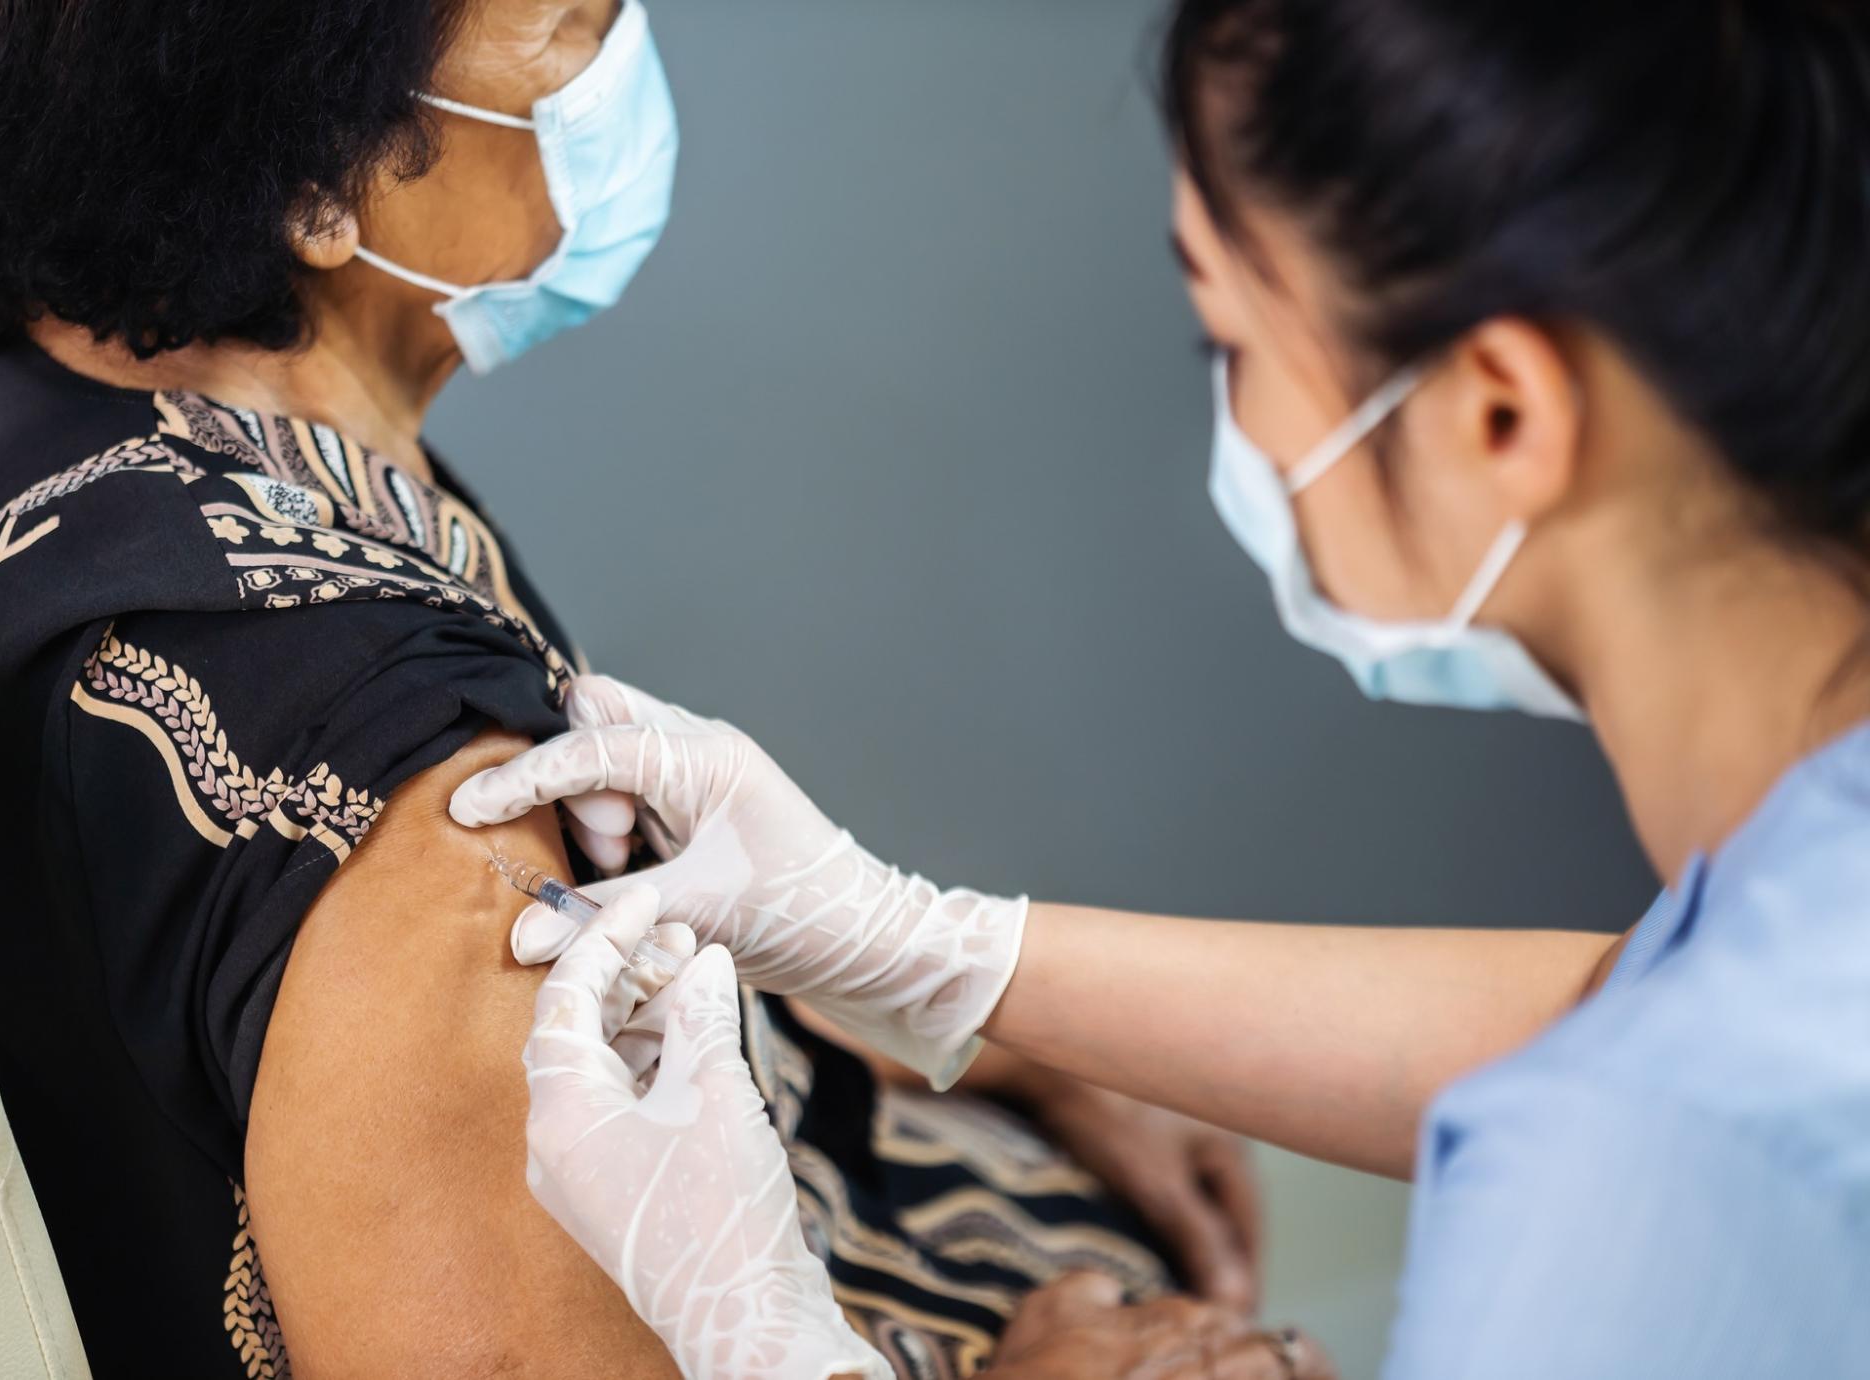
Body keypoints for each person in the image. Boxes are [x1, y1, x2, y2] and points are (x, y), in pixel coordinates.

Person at [0, 0, 1292, 1375]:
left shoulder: (12, 402)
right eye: (571, 28)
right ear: (313, 180)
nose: (623, 66)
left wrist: (971, 1035)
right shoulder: (424, 823)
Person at [459, 1, 1870, 1375]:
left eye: (1232, 341)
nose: (1236, 419)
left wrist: (773, 1346)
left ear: (1500, 412)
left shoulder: (1642, 1206)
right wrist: (921, 944)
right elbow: (1642, 1004)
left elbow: (1666, 1098)